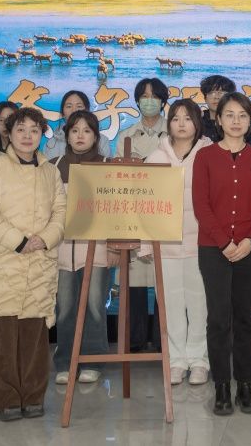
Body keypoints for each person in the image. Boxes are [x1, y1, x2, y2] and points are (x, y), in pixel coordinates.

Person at [0, 107, 66, 422]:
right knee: (2, 334)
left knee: (34, 335)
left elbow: (61, 212)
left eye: (34, 130)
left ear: (42, 135)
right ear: (9, 134)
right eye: (21, 129)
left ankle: (34, 396)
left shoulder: (50, 171)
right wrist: (18, 240)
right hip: (3, 261)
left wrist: (45, 239)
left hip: (39, 262)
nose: (27, 136)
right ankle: (7, 399)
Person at [193, 92, 251, 415]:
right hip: (213, 249)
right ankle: (222, 387)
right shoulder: (205, 156)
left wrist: (250, 239)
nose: (236, 121)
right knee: (218, 319)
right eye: (229, 115)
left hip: (249, 249)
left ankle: (245, 385)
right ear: (218, 119)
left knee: (245, 318)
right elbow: (201, 205)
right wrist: (223, 242)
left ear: (250, 120)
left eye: (242, 115)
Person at [141, 99, 213, 386]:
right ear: (168, 123)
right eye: (175, 118)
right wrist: (146, 243)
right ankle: (175, 361)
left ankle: (199, 361)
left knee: (199, 305)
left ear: (197, 123)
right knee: (169, 305)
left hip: (202, 244)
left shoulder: (209, 154)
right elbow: (144, 205)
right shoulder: (155, 158)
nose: (181, 123)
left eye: (187, 118)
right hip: (166, 245)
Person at [51, 110, 114, 386]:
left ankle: (93, 361)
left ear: (96, 137)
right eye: (75, 130)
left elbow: (116, 212)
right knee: (64, 307)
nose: (80, 136)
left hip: (97, 249)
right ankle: (65, 362)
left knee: (95, 306)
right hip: (62, 250)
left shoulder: (107, 166)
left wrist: (113, 248)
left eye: (87, 131)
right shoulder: (52, 167)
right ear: (66, 135)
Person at [114, 78, 169, 352]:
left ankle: (163, 341)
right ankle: (134, 341)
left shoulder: (173, 133)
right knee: (133, 281)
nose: (149, 101)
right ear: (137, 101)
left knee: (165, 282)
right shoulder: (126, 135)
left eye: (154, 96)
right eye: (144, 96)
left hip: (164, 216)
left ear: (163, 101)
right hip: (134, 216)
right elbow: (117, 178)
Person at [44, 90, 112, 159]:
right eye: (69, 106)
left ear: (87, 110)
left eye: (79, 106)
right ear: (62, 113)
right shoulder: (51, 144)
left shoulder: (102, 141)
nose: (74, 110)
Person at [199, 74, 251, 145]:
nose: (216, 97)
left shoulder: (242, 127)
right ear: (205, 98)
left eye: (221, 93)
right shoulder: (197, 123)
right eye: (211, 93)